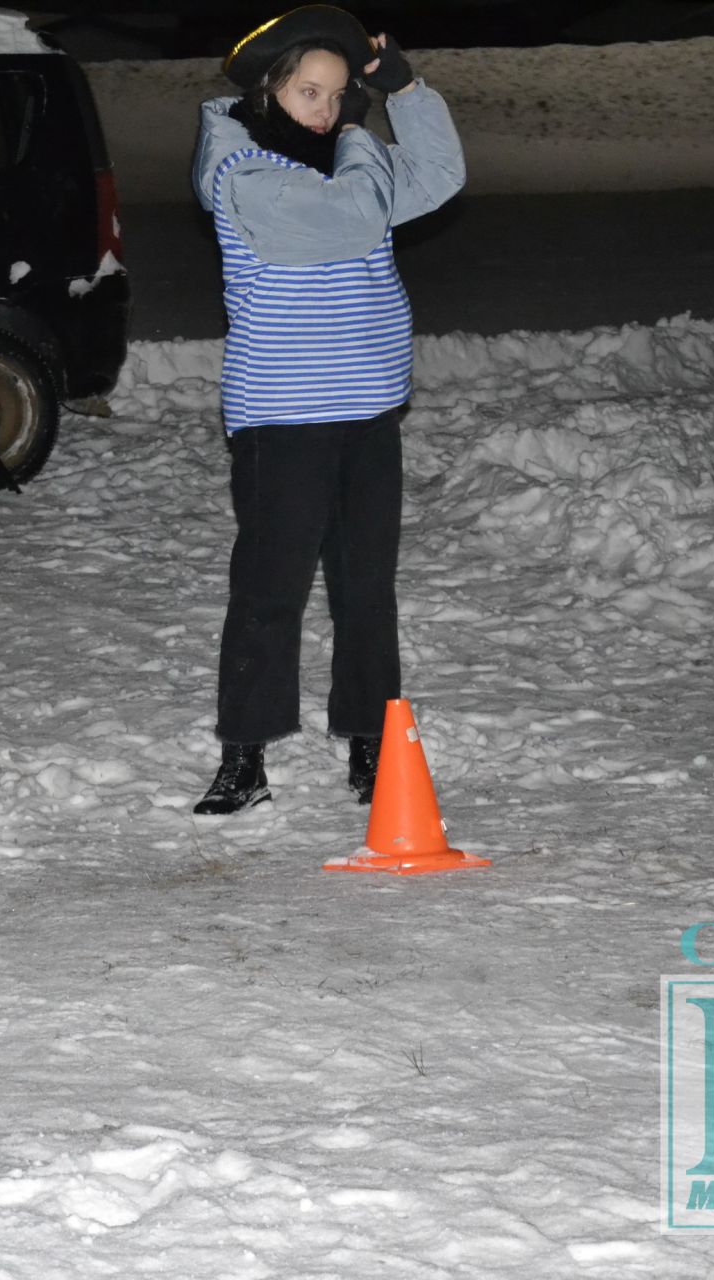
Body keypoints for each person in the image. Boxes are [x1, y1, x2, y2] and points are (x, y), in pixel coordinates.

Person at [188, 4, 464, 815]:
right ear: (271, 88)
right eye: (310, 91)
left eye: (341, 95)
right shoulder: (238, 170)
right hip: (285, 418)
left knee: (365, 589)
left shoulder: (357, 163)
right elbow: (341, 221)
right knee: (270, 591)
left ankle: (372, 749)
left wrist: (405, 91)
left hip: (370, 409)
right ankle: (245, 757)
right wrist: (361, 139)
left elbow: (442, 176)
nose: (328, 109)